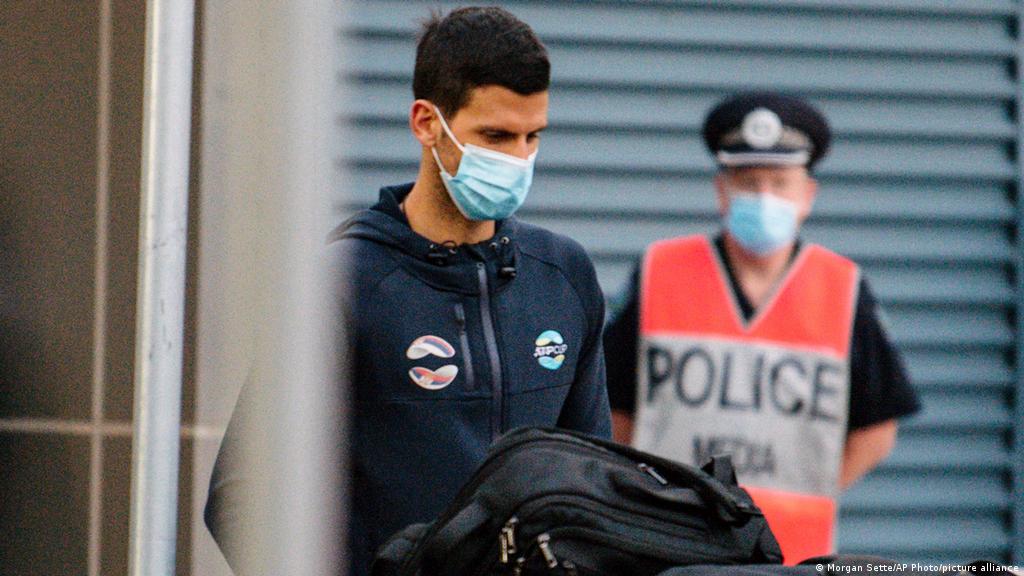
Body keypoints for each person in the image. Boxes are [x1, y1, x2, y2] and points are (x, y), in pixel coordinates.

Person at [204, 7, 611, 575]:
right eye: (495, 136)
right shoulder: (341, 285)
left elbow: (593, 488)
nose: (518, 159)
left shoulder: (563, 275)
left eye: (531, 136)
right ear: (426, 123)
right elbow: (242, 493)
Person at [603, 92, 920, 563]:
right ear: (721, 191)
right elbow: (612, 410)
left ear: (807, 196)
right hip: (669, 549)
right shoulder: (659, 271)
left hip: (796, 553)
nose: (764, 197)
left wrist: (812, 489)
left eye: (780, 182)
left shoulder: (843, 288)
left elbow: (877, 430)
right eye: (748, 182)